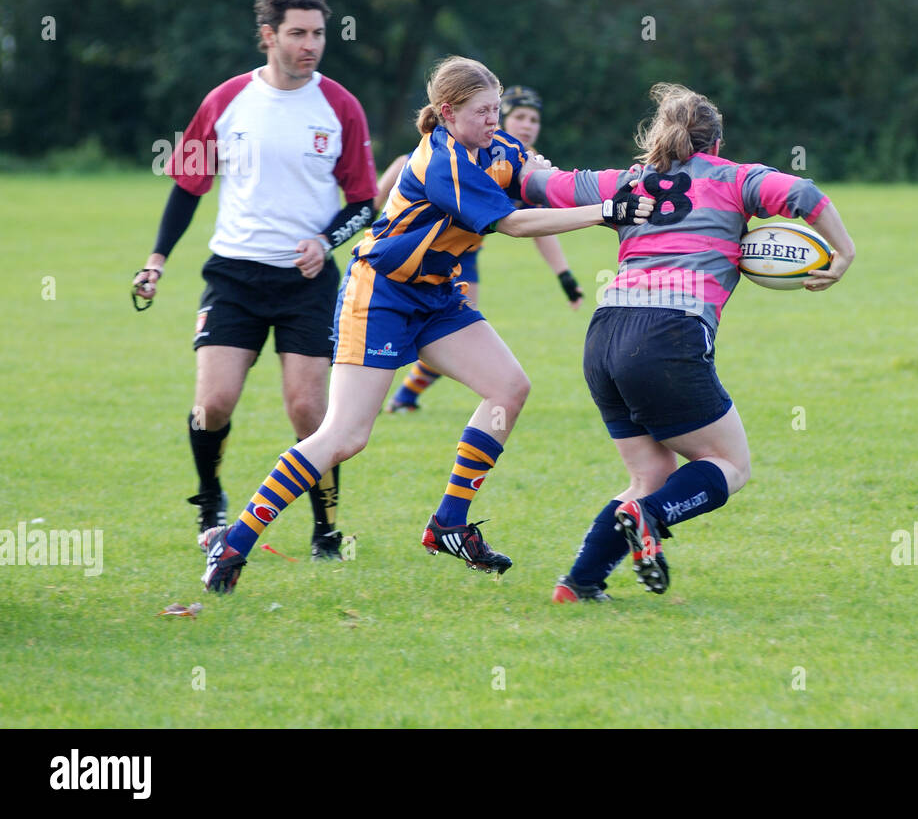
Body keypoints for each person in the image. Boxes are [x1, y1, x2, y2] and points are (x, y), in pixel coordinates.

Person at [196, 56, 652, 593]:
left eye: (496, 110)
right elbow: (511, 222)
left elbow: (542, 180)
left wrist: (635, 181)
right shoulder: (443, 162)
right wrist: (605, 212)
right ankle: (236, 540)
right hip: (381, 295)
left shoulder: (498, 147)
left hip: (435, 297)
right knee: (344, 435)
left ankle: (449, 524)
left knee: (508, 388)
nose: (493, 120)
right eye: (482, 111)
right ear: (446, 113)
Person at [519, 83, 855, 602]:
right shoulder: (737, 179)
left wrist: (529, 162)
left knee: (651, 472)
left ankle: (581, 583)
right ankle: (647, 519)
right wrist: (844, 251)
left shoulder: (625, 181)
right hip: (667, 335)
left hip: (605, 335)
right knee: (729, 464)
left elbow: (538, 185)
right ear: (716, 143)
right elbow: (804, 196)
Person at [132, 0, 377, 561]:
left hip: (309, 283)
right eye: (297, 33)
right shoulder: (225, 101)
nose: (310, 45)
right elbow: (188, 186)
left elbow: (364, 203)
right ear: (269, 36)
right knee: (213, 402)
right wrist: (156, 259)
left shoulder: (340, 106)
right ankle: (211, 500)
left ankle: (326, 529)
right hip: (234, 276)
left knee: (309, 410)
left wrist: (326, 241)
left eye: (317, 33)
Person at [381, 84, 584, 413]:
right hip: (410, 259)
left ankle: (404, 396)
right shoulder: (459, 151)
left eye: (534, 119)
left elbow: (537, 223)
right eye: (519, 116)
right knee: (439, 334)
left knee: (460, 333)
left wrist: (565, 276)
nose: (528, 124)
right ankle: (400, 394)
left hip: (460, 254)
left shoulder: (519, 160)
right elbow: (405, 166)